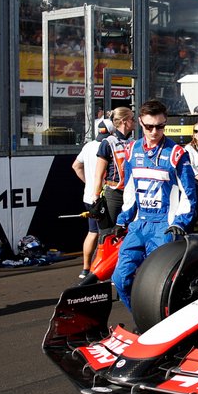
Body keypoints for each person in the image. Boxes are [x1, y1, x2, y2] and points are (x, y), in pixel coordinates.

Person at [110, 100, 198, 314]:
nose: (154, 131)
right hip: (139, 224)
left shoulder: (177, 153)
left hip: (164, 226)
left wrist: (180, 223)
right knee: (120, 279)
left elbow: (189, 194)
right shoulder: (132, 150)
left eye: (160, 126)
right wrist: (122, 220)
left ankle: (166, 323)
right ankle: (144, 319)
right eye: (149, 126)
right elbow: (130, 189)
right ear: (140, 122)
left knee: (160, 285)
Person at [73, 118, 112, 282]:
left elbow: (76, 166)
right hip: (104, 197)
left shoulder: (88, 146)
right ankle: (103, 270)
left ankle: (85, 268)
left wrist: (88, 182)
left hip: (89, 196)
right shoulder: (110, 145)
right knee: (108, 234)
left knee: (92, 232)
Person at [92, 106, 136, 242]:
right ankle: (96, 263)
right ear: (124, 121)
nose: (134, 122)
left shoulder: (133, 143)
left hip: (130, 193)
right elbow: (98, 174)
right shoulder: (108, 142)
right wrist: (96, 197)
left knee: (129, 233)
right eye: (132, 119)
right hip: (114, 194)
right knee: (107, 235)